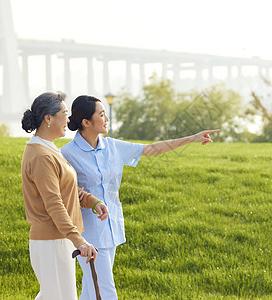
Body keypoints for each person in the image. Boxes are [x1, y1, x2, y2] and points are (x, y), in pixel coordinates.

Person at [61, 95, 219, 299]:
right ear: (86, 122)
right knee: (105, 291)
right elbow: (64, 194)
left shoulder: (113, 147)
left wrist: (192, 138)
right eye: (101, 114)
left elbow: (152, 149)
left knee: (92, 290)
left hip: (111, 229)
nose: (107, 118)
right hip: (88, 234)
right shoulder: (66, 154)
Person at [20, 92, 109, 300]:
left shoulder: (49, 149)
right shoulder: (42, 156)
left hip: (59, 240)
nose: (68, 120)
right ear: (48, 119)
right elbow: (54, 204)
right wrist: (79, 241)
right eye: (64, 114)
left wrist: (93, 202)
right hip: (53, 241)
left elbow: (67, 191)